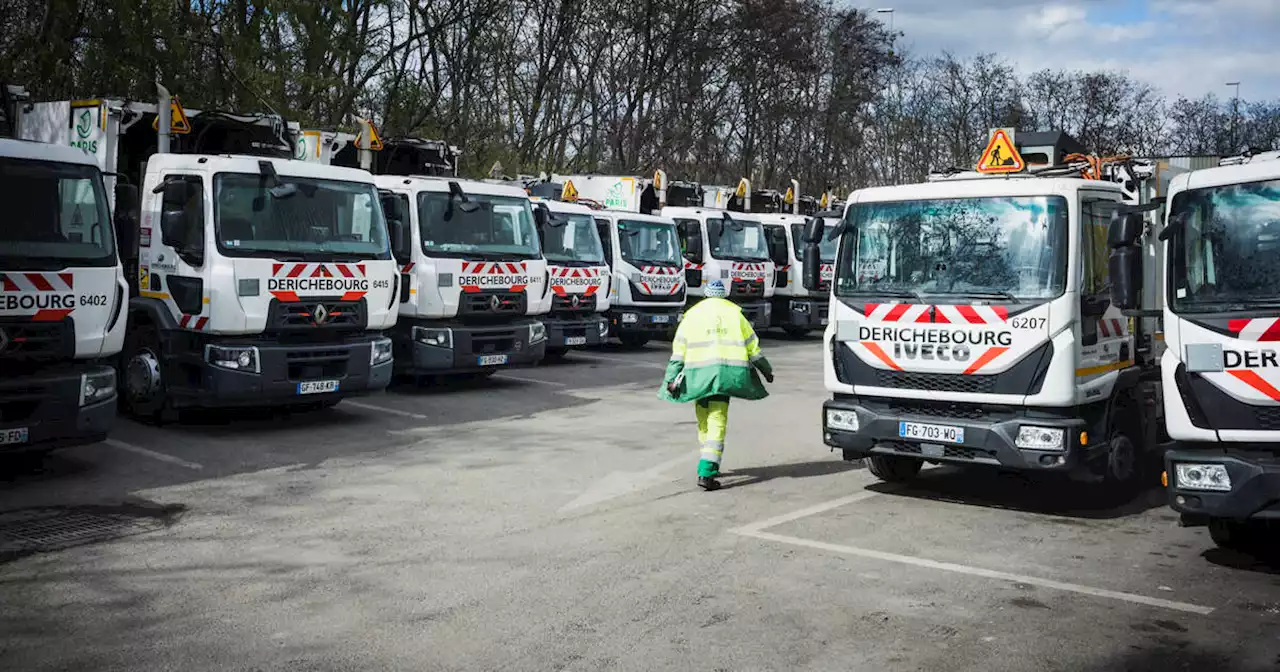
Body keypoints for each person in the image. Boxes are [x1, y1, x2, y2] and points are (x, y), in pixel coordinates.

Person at [659, 280, 774, 491]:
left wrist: (670, 379)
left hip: (697, 376)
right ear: (723, 296)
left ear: (706, 295)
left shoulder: (692, 316)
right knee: (717, 420)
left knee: (703, 418)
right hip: (724, 375)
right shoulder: (735, 315)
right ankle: (707, 468)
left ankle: (707, 458)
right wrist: (767, 371)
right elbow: (754, 349)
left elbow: (678, 352)